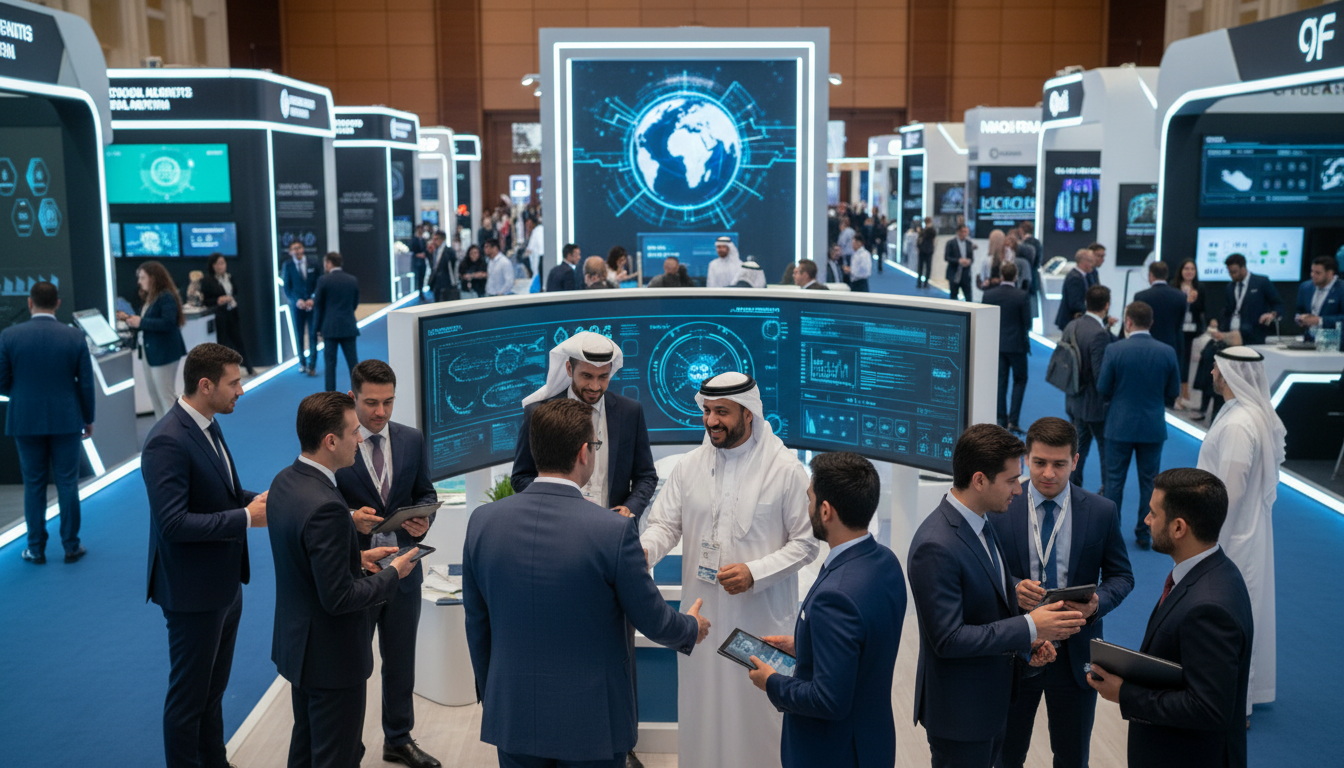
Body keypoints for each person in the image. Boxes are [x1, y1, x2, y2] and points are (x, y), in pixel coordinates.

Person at [464, 398, 710, 768]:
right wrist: (691, 626)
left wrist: (495, 694)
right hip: (593, 723)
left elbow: (477, 622)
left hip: (513, 712)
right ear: (584, 453)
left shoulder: (482, 522)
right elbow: (653, 619)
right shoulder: (613, 531)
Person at [640, 372, 820, 768]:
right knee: (701, 717)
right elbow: (665, 525)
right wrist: (640, 555)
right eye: (706, 411)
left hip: (760, 623)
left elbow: (806, 543)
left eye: (722, 412)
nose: (711, 420)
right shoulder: (690, 467)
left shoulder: (784, 470)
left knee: (757, 721)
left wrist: (755, 572)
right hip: (702, 622)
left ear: (748, 413)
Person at [908, 424, 1084, 768]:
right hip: (960, 717)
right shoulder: (935, 545)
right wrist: (1030, 626)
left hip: (990, 705)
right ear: (979, 480)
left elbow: (987, 611)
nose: (1019, 490)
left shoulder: (981, 523)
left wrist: (1026, 645)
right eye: (1011, 480)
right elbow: (948, 639)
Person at [269, 391, 419, 768]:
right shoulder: (327, 506)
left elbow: (305, 560)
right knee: (337, 756)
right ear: (330, 441)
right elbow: (340, 598)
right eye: (353, 432)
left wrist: (355, 558)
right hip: (332, 660)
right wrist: (394, 573)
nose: (360, 438)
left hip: (300, 648)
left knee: (305, 750)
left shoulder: (285, 481)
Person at [142, 343, 268, 768]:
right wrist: (245, 518)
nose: (242, 390)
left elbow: (221, 491)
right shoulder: (167, 441)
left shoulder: (207, 424)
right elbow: (173, 524)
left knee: (212, 693)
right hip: (192, 592)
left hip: (224, 585)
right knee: (188, 699)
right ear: (205, 385)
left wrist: (257, 500)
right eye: (234, 383)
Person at [745, 452, 906, 768]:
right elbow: (865, 644)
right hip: (873, 741)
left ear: (826, 510)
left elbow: (829, 700)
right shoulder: (886, 562)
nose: (807, 508)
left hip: (833, 753)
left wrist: (772, 682)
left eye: (810, 499)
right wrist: (807, 645)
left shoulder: (835, 596)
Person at [989, 417, 1134, 768]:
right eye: (1039, 462)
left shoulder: (1101, 511)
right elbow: (983, 569)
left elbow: (1121, 576)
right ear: (1026, 458)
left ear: (1076, 461)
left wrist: (1097, 604)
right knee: (1007, 755)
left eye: (1059, 464)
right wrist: (1012, 587)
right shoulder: (1000, 508)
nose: (1048, 474)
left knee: (1072, 757)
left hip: (1075, 655)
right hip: (1017, 650)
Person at [1087, 468, 1253, 768]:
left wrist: (1125, 693)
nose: (1146, 520)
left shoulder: (1209, 607)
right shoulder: (1216, 570)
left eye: (1153, 513)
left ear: (1178, 527)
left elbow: (1208, 709)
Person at [333, 361, 441, 768]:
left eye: (389, 402)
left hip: (403, 571)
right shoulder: (336, 442)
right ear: (352, 397)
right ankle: (347, 747)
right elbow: (320, 501)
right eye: (371, 403)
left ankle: (398, 739)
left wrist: (424, 520)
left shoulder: (411, 439)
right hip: (355, 575)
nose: (381, 412)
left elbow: (425, 492)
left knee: (400, 662)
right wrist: (349, 518)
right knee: (352, 667)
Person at [1196, 346, 1284, 716]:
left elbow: (1227, 493)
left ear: (1230, 373)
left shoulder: (1238, 424)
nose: (1211, 373)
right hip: (1246, 531)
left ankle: (1234, 704)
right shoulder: (1245, 413)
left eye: (1216, 368)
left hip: (1231, 536)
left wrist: (1207, 545)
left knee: (1229, 618)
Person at [512, 332, 658, 520]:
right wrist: (557, 503)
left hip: (613, 526)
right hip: (558, 523)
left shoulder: (630, 412)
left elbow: (646, 476)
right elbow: (521, 477)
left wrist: (629, 508)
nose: (595, 386)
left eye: (603, 377)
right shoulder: (539, 413)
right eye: (587, 376)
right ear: (569, 369)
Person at [0, 281, 93, 564]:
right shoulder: (74, 336)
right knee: (67, 483)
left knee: (34, 485)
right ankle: (71, 545)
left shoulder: (9, 335)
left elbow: (2, 382)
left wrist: (23, 395)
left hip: (25, 419)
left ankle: (36, 548)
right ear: (58, 303)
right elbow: (86, 384)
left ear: (30, 303)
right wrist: (88, 418)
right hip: (66, 419)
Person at [1098, 301, 1181, 549]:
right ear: (1151, 323)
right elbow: (1173, 392)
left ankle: (1111, 533)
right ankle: (1145, 532)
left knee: (1114, 481)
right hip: (1152, 426)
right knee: (1150, 483)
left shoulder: (1114, 349)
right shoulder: (1167, 352)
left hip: (1118, 424)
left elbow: (1103, 388)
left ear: (1128, 322)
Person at [117, 261, 188, 419]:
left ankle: (175, 431)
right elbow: (151, 321)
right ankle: (163, 430)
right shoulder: (151, 297)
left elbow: (169, 322)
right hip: (150, 352)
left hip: (163, 352)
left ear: (153, 278)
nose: (139, 282)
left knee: (165, 395)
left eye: (143, 277)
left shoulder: (166, 297)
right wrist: (130, 319)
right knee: (155, 395)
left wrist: (141, 322)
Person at [1065, 286, 1114, 492]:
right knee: (1105, 450)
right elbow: (1100, 375)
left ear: (1087, 302)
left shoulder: (1072, 325)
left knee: (1078, 450)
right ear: (1107, 305)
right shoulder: (1099, 334)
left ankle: (1071, 491)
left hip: (1074, 400)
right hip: (1095, 406)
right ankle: (1107, 491)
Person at [980, 262, 1031, 432]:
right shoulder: (1022, 296)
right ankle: (1013, 421)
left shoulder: (989, 295)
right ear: (1015, 276)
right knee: (1020, 380)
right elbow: (1028, 323)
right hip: (1017, 345)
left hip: (997, 345)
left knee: (1000, 381)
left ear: (1001, 275)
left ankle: (1000, 418)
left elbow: (985, 320)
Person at [200, 253, 255, 376]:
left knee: (239, 341)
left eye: (223, 263)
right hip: (219, 316)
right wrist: (218, 300)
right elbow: (206, 300)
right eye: (218, 263)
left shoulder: (229, 277)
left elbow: (236, 292)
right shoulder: (207, 281)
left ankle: (249, 368)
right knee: (222, 345)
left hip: (232, 313)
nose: (221, 266)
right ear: (213, 266)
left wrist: (231, 299)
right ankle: (223, 373)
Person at [312, 252, 360, 393]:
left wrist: (317, 327)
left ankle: (330, 396)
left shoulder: (323, 280)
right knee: (353, 363)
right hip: (348, 326)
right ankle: (358, 394)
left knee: (330, 364)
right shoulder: (352, 280)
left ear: (328, 263)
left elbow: (318, 305)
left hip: (330, 327)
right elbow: (355, 303)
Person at [1218, 253, 1283, 345]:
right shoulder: (1230, 287)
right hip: (1232, 333)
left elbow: (1278, 304)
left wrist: (1272, 314)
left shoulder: (1261, 282)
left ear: (1243, 268)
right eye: (1229, 272)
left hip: (1253, 333)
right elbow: (1227, 311)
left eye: (1234, 272)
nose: (1232, 275)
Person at [1169, 259, 1206, 406]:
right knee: (1176, 358)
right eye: (1186, 269)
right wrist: (1185, 300)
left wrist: (1194, 301)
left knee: (1186, 360)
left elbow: (1202, 309)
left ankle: (1185, 393)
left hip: (1192, 330)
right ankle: (1175, 392)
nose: (1189, 272)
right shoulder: (1174, 286)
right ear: (1181, 271)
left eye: (1192, 269)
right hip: (1176, 327)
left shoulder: (1200, 287)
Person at [282, 241, 321, 376]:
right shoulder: (288, 265)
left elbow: (319, 283)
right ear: (290, 252)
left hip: (311, 305)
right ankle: (302, 363)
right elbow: (287, 287)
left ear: (303, 249)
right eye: (294, 249)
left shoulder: (313, 263)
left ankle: (312, 365)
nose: (297, 251)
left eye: (299, 248)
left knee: (313, 334)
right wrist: (296, 300)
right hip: (297, 306)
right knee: (299, 335)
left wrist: (313, 299)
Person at [1134, 262, 1187, 357]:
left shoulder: (1141, 297)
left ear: (1150, 275)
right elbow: (1179, 324)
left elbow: (1138, 324)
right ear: (1166, 275)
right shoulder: (1181, 296)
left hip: (1147, 348)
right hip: (1172, 346)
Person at [1294, 254, 1342, 339]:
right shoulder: (1305, 287)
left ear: (1330, 273)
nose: (1313, 275)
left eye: (1318, 273)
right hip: (1309, 339)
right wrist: (1300, 318)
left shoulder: (1341, 289)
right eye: (1312, 271)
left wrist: (1319, 320)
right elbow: (1299, 310)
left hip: (1334, 341)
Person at [1054, 249, 1094, 331]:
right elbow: (1075, 303)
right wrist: (1092, 311)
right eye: (1090, 261)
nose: (1092, 264)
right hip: (1070, 321)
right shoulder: (1075, 278)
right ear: (1083, 261)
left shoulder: (1082, 276)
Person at [427, 229, 460, 302]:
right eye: (433, 239)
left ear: (442, 239)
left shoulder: (449, 252)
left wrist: (454, 283)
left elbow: (453, 269)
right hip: (437, 284)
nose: (433, 241)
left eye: (436, 239)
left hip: (447, 284)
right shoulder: (435, 251)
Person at [943, 224, 974, 300]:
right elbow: (946, 257)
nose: (965, 234)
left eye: (966, 232)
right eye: (963, 232)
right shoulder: (950, 243)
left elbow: (972, 258)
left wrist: (968, 261)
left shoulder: (969, 244)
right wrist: (958, 261)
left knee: (968, 296)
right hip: (954, 274)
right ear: (958, 232)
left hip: (965, 275)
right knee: (954, 296)